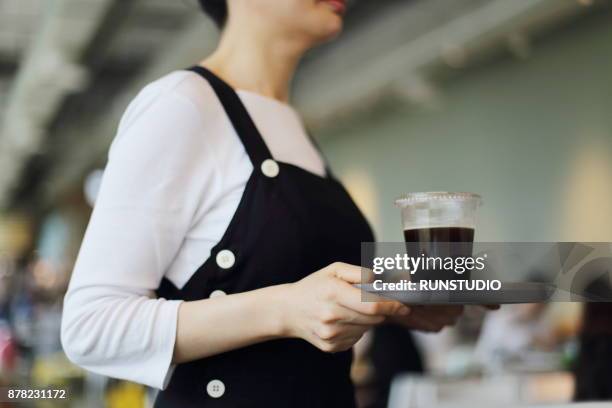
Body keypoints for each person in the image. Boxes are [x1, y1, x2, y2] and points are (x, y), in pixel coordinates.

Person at [61, 1, 464, 406]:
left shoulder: (288, 124)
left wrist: (391, 304)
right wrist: (286, 309)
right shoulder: (182, 104)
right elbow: (90, 327)